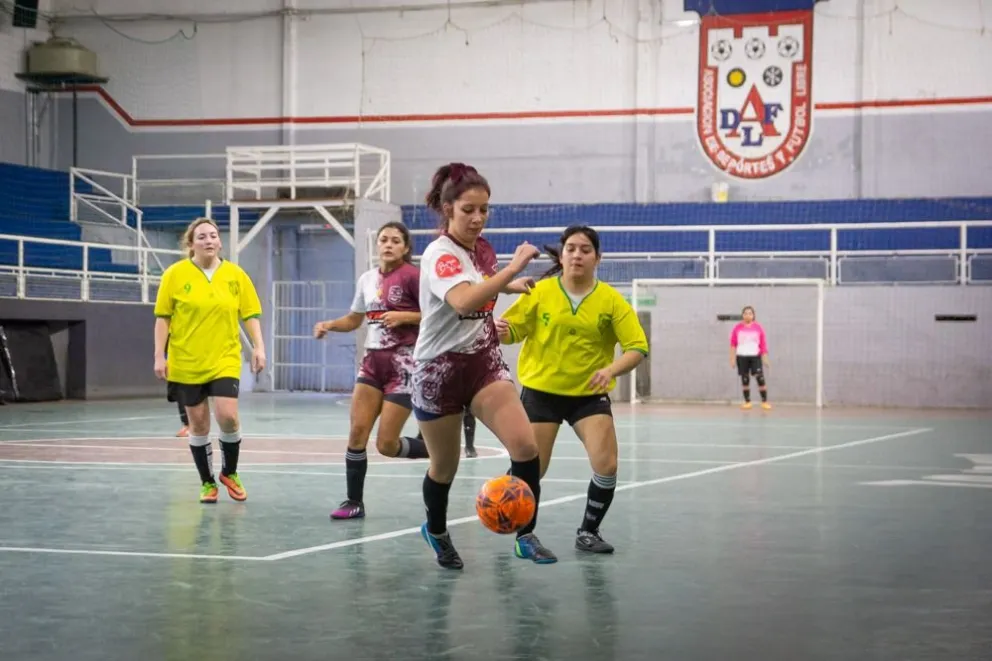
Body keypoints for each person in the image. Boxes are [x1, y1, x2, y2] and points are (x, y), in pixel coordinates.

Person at [412, 162, 555, 570]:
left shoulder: (481, 248)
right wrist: (513, 269)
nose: (477, 218)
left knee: (526, 447)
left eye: (485, 209)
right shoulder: (438, 254)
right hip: (438, 372)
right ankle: (436, 531)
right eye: (468, 210)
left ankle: (525, 535)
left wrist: (510, 284)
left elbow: (480, 279)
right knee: (445, 465)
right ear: (447, 209)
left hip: (483, 363)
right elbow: (462, 300)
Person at [496, 225, 649, 554]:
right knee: (535, 468)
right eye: (571, 249)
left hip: (588, 397)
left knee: (606, 465)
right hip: (541, 393)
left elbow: (638, 347)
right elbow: (512, 333)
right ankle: (512, 514)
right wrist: (499, 330)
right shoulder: (539, 291)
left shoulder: (610, 299)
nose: (577, 255)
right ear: (562, 255)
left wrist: (610, 369)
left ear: (598, 257)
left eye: (585, 249)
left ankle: (588, 531)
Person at [313, 221, 430, 520]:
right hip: (372, 365)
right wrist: (329, 325)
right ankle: (354, 502)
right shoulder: (367, 279)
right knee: (357, 433)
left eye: (395, 240)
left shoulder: (414, 278)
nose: (388, 245)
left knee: (387, 445)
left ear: (405, 248)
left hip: (403, 366)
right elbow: (354, 319)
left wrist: (405, 316)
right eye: (383, 240)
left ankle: (431, 448)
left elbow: (437, 315)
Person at [153, 217, 266, 504]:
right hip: (186, 361)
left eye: (214, 236)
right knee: (199, 425)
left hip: (225, 358)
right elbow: (163, 318)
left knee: (228, 416)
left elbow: (250, 314)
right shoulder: (174, 275)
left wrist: (258, 347)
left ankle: (230, 471)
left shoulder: (235, 275)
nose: (209, 241)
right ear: (191, 244)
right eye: (202, 236)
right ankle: (207, 482)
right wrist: (159, 355)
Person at [729, 305, 771, 410]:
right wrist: (732, 359)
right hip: (741, 357)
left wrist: (765, 358)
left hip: (755, 357)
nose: (748, 315)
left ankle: (764, 402)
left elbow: (763, 344)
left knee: (760, 378)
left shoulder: (758, 328)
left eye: (750, 313)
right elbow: (733, 344)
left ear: (753, 315)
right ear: (743, 315)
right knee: (745, 378)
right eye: (745, 313)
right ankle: (747, 402)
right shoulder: (737, 328)